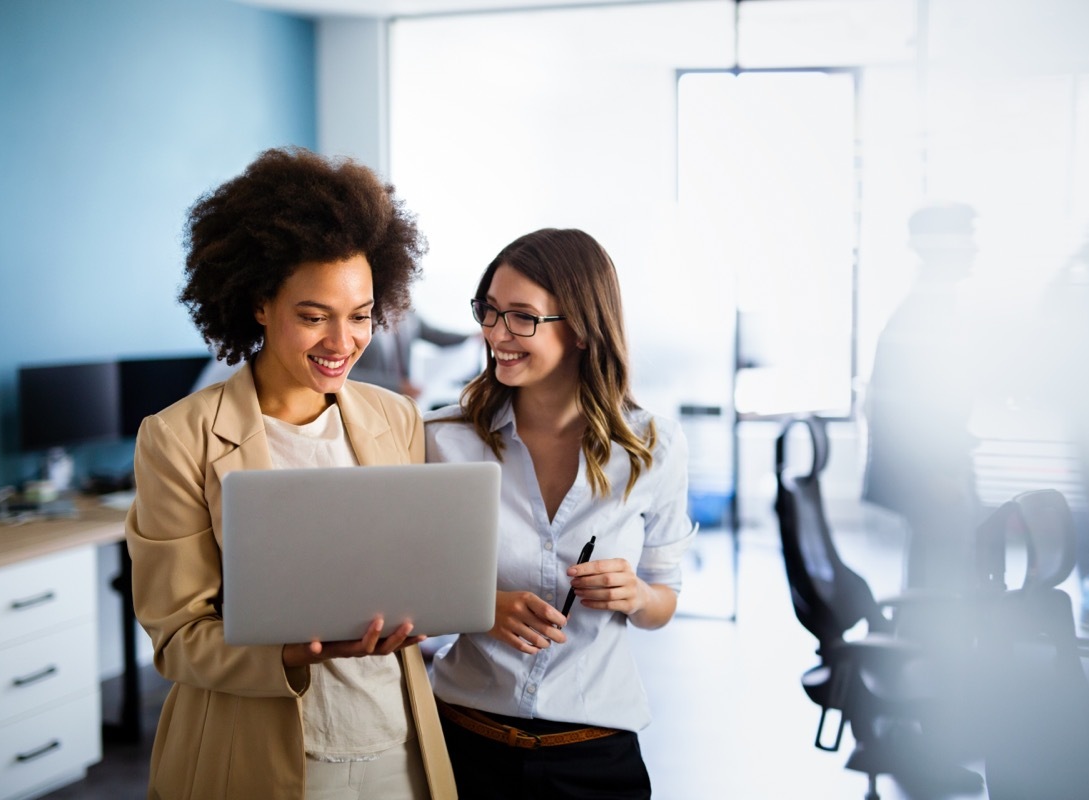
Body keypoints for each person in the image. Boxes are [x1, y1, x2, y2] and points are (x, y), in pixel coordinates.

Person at [125, 146, 456, 800]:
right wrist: (291, 653)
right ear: (259, 304)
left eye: (360, 315)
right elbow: (177, 637)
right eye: (313, 316)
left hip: (394, 741)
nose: (342, 342)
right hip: (265, 752)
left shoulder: (398, 418)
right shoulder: (178, 437)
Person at [424, 228, 696, 799]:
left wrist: (637, 596)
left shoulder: (653, 448)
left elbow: (664, 599)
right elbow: (397, 586)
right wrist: (481, 608)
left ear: (580, 327)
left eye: (522, 317)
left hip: (596, 753)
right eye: (490, 311)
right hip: (463, 746)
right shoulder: (442, 440)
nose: (497, 334)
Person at [861, 202, 983, 592]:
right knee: (939, 580)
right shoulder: (924, 315)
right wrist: (936, 474)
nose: (974, 249)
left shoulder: (936, 308)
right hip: (933, 473)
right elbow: (905, 411)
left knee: (942, 572)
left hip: (941, 467)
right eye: (967, 240)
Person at [350, 310, 472, 400]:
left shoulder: (406, 311)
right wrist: (396, 386)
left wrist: (471, 338)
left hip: (402, 401)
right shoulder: (357, 318)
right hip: (369, 400)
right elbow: (349, 375)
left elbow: (436, 336)